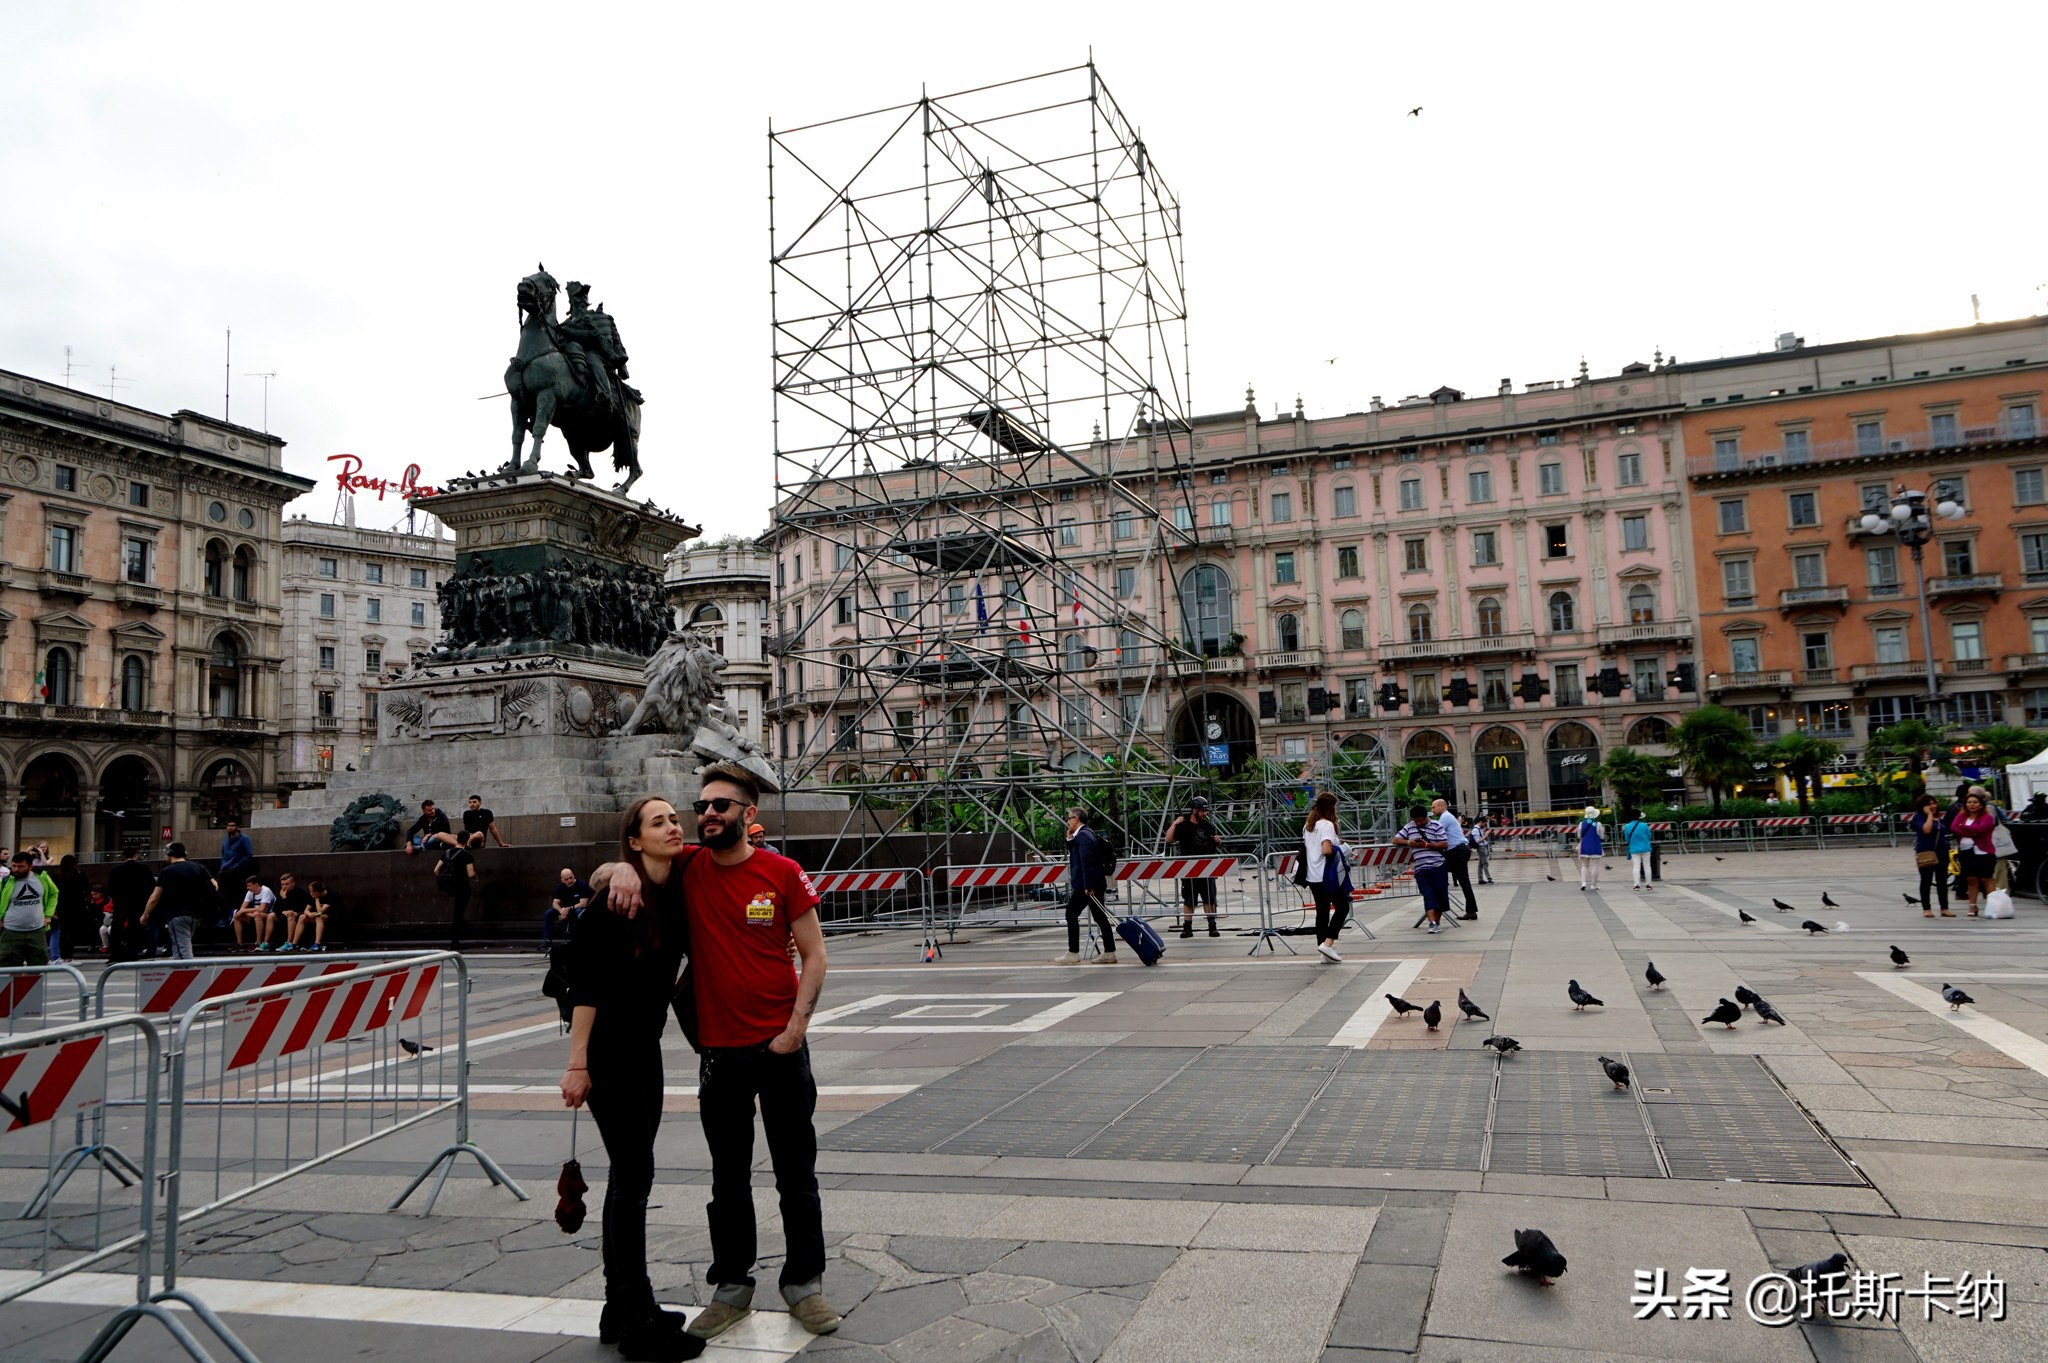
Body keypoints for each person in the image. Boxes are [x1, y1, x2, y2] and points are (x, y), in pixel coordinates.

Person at [601, 762, 839, 1339]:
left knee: (795, 1174)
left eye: (720, 806)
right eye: (701, 806)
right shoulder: (688, 868)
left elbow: (816, 955)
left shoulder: (782, 872)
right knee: (727, 1179)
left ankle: (804, 1284)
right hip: (720, 1056)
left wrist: (796, 1028)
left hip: (781, 1049)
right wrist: (618, 873)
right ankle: (732, 1286)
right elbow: (623, 862)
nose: (706, 814)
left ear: (747, 814)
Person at [558, 796, 706, 1362]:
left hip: (645, 1047)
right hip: (608, 1052)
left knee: (629, 1174)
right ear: (635, 840)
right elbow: (586, 986)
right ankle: (638, 1317)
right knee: (635, 1174)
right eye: (658, 821)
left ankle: (617, 1306)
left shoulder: (673, 885)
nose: (673, 826)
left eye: (675, 818)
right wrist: (578, 1064)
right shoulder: (614, 901)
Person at [1056, 807, 1118, 965]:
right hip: (1091, 883)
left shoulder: (1084, 836)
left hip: (1087, 885)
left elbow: (1086, 862)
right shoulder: (1086, 834)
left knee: (1071, 913)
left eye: (1069, 818)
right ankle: (1109, 952)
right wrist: (1069, 839)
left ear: (1076, 819)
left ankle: (1073, 953)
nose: (1067, 821)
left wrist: (1087, 885)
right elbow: (1078, 855)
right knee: (1099, 917)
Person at [141, 843, 217, 960]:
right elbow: (214, 885)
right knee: (179, 945)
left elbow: (154, 897)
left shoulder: (167, 871)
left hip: (177, 913)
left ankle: (188, 973)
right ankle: (179, 972)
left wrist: (145, 914)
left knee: (183, 950)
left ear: (169, 853)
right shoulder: (198, 867)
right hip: (196, 914)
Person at [1164, 795, 1222, 939]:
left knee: (1209, 898)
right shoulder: (1183, 826)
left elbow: (1215, 842)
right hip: (1188, 868)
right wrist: (1174, 824)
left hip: (1206, 867)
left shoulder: (1207, 826)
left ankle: (1212, 926)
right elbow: (1169, 840)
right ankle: (1187, 928)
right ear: (1194, 810)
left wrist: (1217, 840)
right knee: (1189, 899)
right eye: (1202, 811)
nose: (1205, 814)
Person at [1303, 792, 1350, 961]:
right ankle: (1328, 944)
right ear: (1331, 807)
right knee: (1343, 907)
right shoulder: (1327, 825)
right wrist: (1341, 849)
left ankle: (1323, 953)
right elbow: (1326, 850)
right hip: (1327, 875)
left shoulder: (1309, 825)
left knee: (1322, 913)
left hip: (1312, 875)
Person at [1393, 804, 1450, 934]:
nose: (1418, 823)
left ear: (1426, 817)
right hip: (1421, 868)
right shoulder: (1409, 827)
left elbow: (1444, 843)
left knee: (1440, 895)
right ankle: (1432, 923)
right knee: (1428, 895)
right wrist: (1408, 842)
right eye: (1416, 821)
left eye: (1421, 820)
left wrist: (1426, 845)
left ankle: (1437, 921)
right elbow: (1395, 839)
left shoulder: (1436, 825)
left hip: (1438, 865)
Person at [0, 850, 57, 967]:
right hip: (11, 931)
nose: (16, 869)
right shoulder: (6, 881)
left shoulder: (42, 878)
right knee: (8, 965)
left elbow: (53, 893)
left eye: (21, 866)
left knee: (39, 963)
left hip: (36, 931)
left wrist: (48, 915)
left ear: (30, 866)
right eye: (14, 866)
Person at [1950, 790, 1999, 915]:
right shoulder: (1962, 816)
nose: (1972, 804)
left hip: (1983, 851)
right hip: (1966, 851)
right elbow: (1954, 827)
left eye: (1975, 802)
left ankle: (1994, 906)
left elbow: (1981, 829)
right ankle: (1972, 906)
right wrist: (1971, 832)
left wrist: (1964, 827)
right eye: (1969, 802)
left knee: (1986, 878)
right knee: (1971, 879)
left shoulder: (1987, 817)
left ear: (1981, 804)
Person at [106, 846, 157, 964]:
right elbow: (151, 886)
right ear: (136, 855)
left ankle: (115, 954)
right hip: (138, 902)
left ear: (123, 856)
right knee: (134, 927)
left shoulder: (115, 870)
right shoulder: (143, 869)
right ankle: (132, 952)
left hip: (120, 902)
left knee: (117, 926)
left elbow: (110, 889)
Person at [1432, 798, 1478, 920]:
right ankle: (1470, 911)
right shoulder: (1446, 817)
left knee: (1463, 881)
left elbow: (1435, 832)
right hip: (1457, 851)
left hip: (1457, 851)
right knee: (1461, 880)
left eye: (1434, 807)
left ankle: (1470, 911)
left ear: (1441, 806)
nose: (1432, 810)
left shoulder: (1445, 817)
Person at [1910, 793, 1952, 918]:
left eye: (1934, 803)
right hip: (1926, 852)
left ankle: (1944, 908)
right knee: (1926, 880)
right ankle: (1926, 908)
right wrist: (1929, 815)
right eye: (1929, 805)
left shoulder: (1940, 818)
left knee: (1942, 880)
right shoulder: (1918, 818)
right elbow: (1926, 830)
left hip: (1942, 852)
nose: (1933, 806)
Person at [51, 854, 95, 962]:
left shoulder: (57, 876)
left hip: (62, 906)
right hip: (77, 907)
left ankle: (63, 956)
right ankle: (69, 956)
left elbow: (54, 893)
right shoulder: (79, 875)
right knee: (72, 932)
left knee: (63, 932)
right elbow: (87, 889)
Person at [435, 837, 478, 949]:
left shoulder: (447, 852)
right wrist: (475, 876)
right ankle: (455, 941)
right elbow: (470, 874)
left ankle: (462, 928)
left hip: (450, 887)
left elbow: (436, 870)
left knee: (458, 912)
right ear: (466, 841)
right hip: (462, 887)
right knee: (458, 913)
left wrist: (446, 879)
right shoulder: (467, 855)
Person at [546, 866, 592, 947]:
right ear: (562, 880)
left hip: (579, 910)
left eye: (571, 878)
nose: (569, 881)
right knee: (549, 913)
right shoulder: (561, 887)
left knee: (578, 912)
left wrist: (569, 908)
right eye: (566, 879)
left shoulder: (582, 885)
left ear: (574, 876)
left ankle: (578, 939)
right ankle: (547, 940)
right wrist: (561, 911)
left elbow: (583, 903)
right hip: (566, 911)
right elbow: (555, 903)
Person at [288, 880, 337, 951]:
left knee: (318, 916)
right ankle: (294, 944)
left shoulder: (331, 895)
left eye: (312, 891)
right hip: (318, 915)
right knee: (302, 917)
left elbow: (320, 912)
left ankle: (317, 944)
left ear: (317, 892)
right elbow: (306, 910)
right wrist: (309, 914)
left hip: (332, 915)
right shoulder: (311, 896)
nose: (310, 893)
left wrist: (317, 899)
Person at [270, 872, 313, 951]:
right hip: (283, 915)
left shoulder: (300, 892)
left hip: (296, 914)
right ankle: (265, 943)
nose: (284, 886)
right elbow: (276, 908)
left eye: (287, 884)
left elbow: (300, 907)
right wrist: (282, 911)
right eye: (282, 884)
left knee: (291, 915)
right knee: (271, 915)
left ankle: (289, 942)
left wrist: (285, 898)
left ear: (293, 883)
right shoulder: (281, 892)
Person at [235, 875, 277, 950]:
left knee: (258, 915)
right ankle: (239, 943)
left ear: (256, 885)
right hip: (255, 913)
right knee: (237, 916)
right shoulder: (250, 892)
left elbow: (262, 909)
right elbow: (242, 908)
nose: (247, 888)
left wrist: (244, 911)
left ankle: (258, 942)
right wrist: (247, 913)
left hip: (269, 913)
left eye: (249, 886)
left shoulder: (265, 890)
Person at [1621, 809, 1655, 891]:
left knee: (1636, 867)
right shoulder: (1644, 825)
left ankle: (1636, 885)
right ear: (1639, 816)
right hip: (1646, 848)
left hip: (1634, 849)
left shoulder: (1628, 826)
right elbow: (1649, 836)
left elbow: (1626, 838)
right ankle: (1648, 884)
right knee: (1647, 866)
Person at [1575, 807, 1604, 890]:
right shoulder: (1598, 824)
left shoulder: (1581, 824)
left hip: (1584, 846)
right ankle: (1593, 885)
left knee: (1584, 865)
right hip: (1595, 846)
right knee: (1595, 866)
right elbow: (1601, 836)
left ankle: (1583, 883)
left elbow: (1579, 836)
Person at [1471, 816, 1495, 885]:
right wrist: (1486, 835)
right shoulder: (1475, 830)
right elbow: (1477, 841)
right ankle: (1489, 878)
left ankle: (1480, 879)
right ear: (1481, 822)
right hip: (1481, 847)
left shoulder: (1479, 829)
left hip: (1483, 846)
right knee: (1485, 863)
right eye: (1484, 824)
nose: (1485, 825)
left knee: (1481, 864)